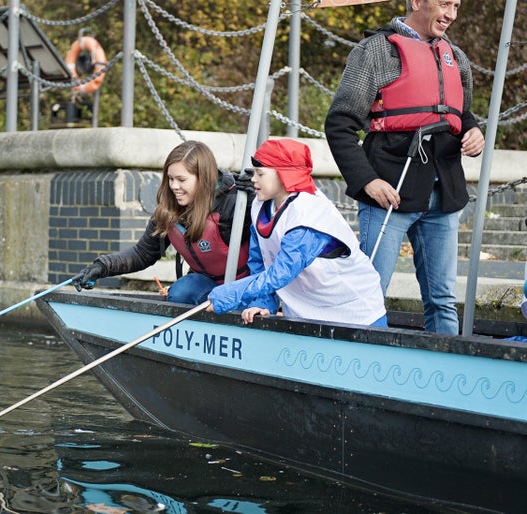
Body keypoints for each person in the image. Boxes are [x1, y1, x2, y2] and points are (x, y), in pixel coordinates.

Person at [324, 0, 485, 335]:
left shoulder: (456, 57)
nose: (451, 14)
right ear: (416, 2)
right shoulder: (373, 52)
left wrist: (473, 131)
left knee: (442, 299)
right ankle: (362, 369)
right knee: (370, 295)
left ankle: (445, 376)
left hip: (444, 195)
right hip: (388, 193)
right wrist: (367, 181)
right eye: (444, 4)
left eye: (455, 6)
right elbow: (339, 124)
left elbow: (461, 113)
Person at [206, 138, 387, 327]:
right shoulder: (260, 205)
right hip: (304, 310)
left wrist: (233, 293)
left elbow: (281, 273)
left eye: (260, 174)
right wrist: (263, 302)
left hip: (354, 311)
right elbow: (259, 260)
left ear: (284, 175)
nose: (253, 179)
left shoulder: (307, 213)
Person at [72, 140, 254, 304]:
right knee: (181, 292)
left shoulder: (235, 203)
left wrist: (258, 197)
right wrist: (101, 267)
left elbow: (273, 232)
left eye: (181, 180)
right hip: (205, 286)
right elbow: (142, 254)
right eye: (170, 179)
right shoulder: (168, 212)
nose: (174, 186)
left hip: (247, 287)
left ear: (204, 179)